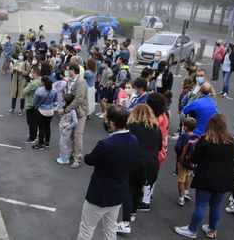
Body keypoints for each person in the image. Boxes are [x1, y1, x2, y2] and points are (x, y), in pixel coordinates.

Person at [77, 105, 137, 240]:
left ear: (112, 122)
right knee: (110, 229)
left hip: (99, 195)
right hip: (118, 193)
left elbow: (89, 159)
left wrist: (90, 154)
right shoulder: (133, 140)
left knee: (86, 229)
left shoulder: (105, 145)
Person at [174, 114, 234, 239]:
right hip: (225, 177)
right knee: (216, 205)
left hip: (207, 176)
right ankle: (212, 230)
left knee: (201, 205)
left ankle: (192, 230)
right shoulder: (231, 139)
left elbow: (195, 158)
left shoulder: (205, 139)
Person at [117, 104, 162, 234]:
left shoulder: (132, 127)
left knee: (128, 189)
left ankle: (125, 223)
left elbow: (124, 144)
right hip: (151, 164)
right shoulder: (156, 128)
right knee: (138, 188)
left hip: (135, 162)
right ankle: (132, 213)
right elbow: (159, 147)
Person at [60, 63, 88, 169]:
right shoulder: (70, 81)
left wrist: (66, 109)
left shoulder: (81, 82)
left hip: (79, 112)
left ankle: (78, 158)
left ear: (73, 70)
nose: (66, 72)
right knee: (71, 134)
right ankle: (72, 152)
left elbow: (79, 99)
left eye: (68, 70)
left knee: (77, 135)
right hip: (73, 111)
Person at [174, 117, 198, 206]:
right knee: (188, 175)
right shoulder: (195, 136)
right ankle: (186, 192)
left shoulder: (183, 136)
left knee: (181, 179)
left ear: (185, 127)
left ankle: (181, 198)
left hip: (182, 161)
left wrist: (180, 155)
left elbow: (177, 148)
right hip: (191, 162)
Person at [32, 76, 58, 150]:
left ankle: (40, 144)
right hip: (50, 110)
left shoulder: (39, 90)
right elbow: (55, 100)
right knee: (47, 126)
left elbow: (35, 101)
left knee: (41, 128)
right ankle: (47, 142)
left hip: (41, 110)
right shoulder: (54, 90)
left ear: (43, 82)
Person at [56, 94, 78, 165]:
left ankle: (65, 159)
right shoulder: (65, 107)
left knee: (63, 143)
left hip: (66, 129)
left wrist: (68, 127)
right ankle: (62, 156)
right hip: (62, 127)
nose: (63, 102)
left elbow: (75, 122)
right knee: (62, 143)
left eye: (64, 100)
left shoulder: (72, 110)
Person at [23, 66, 42, 144]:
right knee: (35, 122)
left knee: (30, 122)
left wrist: (28, 84)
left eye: (31, 72)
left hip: (30, 104)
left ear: (35, 73)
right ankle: (34, 135)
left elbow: (25, 91)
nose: (30, 74)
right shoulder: (40, 81)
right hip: (37, 104)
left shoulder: (33, 83)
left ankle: (32, 137)